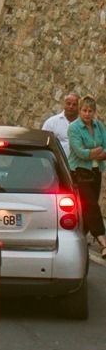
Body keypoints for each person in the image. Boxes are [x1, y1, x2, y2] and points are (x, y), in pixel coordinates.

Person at [67, 95, 106, 259]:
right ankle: (103, 242)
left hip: (96, 171)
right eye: (84, 110)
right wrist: (97, 151)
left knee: (88, 207)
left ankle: (78, 239)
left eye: (90, 111)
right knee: (91, 206)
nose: (87, 114)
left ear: (94, 112)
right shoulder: (74, 128)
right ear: (80, 110)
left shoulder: (98, 126)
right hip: (80, 171)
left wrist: (93, 153)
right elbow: (80, 152)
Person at [43, 91, 81, 157]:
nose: (71, 107)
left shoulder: (83, 125)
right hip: (57, 165)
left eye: (74, 104)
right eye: (68, 104)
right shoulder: (51, 123)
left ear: (79, 107)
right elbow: (43, 143)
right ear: (64, 105)